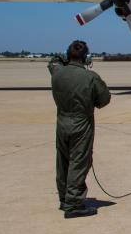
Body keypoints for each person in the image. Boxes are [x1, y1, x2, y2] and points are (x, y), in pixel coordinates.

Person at [48, 40, 111, 218]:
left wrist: (64, 58)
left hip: (62, 123)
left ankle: (64, 199)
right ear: (86, 57)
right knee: (79, 162)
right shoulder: (90, 77)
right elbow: (104, 100)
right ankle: (74, 204)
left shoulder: (57, 73)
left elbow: (52, 62)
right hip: (81, 124)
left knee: (63, 162)